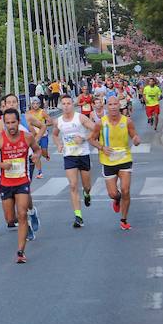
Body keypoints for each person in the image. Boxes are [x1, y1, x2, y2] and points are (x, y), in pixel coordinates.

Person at [0, 108, 41, 263]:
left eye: (13, 122)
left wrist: (36, 157)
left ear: (18, 122)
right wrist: (1, 165)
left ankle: (20, 251)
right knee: (10, 218)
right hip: (5, 182)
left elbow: (37, 150)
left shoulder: (28, 137)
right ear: (4, 123)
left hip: (22, 181)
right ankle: (29, 218)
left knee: (22, 214)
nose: (11, 126)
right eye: (7, 123)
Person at [89, 96, 141, 230]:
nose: (112, 107)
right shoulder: (101, 123)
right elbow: (92, 139)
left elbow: (134, 135)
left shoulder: (127, 121)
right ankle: (116, 199)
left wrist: (136, 139)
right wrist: (102, 147)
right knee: (113, 194)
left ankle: (123, 220)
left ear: (119, 105)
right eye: (110, 104)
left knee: (125, 190)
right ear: (107, 107)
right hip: (108, 161)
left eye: (115, 104)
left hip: (124, 159)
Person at [53, 95, 94, 228]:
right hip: (69, 156)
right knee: (73, 185)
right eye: (63, 103)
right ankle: (78, 216)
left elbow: (95, 129)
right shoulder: (58, 121)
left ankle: (87, 194)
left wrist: (83, 138)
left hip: (83, 154)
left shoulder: (80, 117)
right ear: (60, 105)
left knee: (86, 185)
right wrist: (59, 144)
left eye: (68, 103)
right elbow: (54, 134)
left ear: (73, 104)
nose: (66, 106)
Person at [26, 96, 51, 179]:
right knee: (36, 154)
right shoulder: (28, 113)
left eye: (37, 103)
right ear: (31, 105)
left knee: (43, 152)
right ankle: (40, 172)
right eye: (33, 103)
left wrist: (42, 125)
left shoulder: (42, 112)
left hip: (43, 135)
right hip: (34, 136)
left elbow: (50, 121)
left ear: (40, 104)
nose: (35, 105)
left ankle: (46, 155)